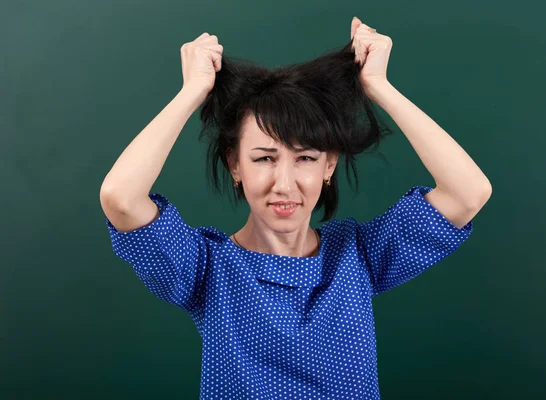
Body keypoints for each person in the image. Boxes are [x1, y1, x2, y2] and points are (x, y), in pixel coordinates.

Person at [100, 17, 490, 400]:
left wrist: (379, 87)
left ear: (329, 165)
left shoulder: (357, 256)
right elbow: (121, 198)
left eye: (304, 158)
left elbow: (467, 193)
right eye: (264, 159)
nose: (284, 184)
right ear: (235, 164)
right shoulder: (207, 270)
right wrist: (193, 91)